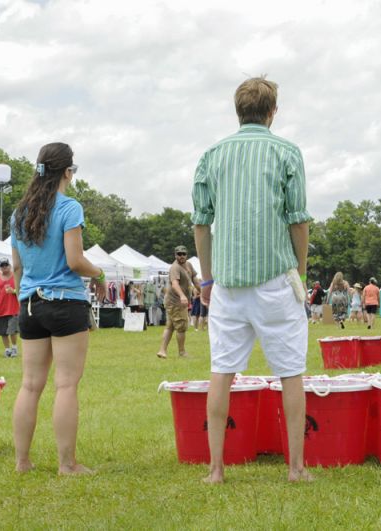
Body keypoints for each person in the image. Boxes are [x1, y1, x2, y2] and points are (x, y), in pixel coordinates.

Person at [192, 76, 312, 483]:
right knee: (291, 371)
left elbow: (201, 224)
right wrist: (301, 267)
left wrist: (207, 279)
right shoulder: (286, 152)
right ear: (272, 112)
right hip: (276, 278)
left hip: (227, 281)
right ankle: (296, 468)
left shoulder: (213, 154)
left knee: (221, 370)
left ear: (238, 111)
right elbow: (298, 220)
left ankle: (216, 469)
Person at [11, 142, 105, 475]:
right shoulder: (69, 208)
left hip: (30, 305)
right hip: (65, 304)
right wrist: (100, 273)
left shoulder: (19, 213)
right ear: (68, 171)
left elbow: (17, 268)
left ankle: (22, 462)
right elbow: (75, 260)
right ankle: (67, 464)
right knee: (65, 385)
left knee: (30, 385)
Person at [157, 245, 199, 358]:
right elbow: (175, 283)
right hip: (175, 301)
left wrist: (202, 291)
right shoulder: (175, 267)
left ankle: (162, 351)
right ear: (175, 255)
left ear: (186, 255)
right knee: (181, 326)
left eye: (183, 254)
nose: (181, 256)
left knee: (170, 326)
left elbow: (194, 279)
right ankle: (182, 352)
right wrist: (182, 296)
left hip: (176, 301)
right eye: (179, 254)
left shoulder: (188, 265)